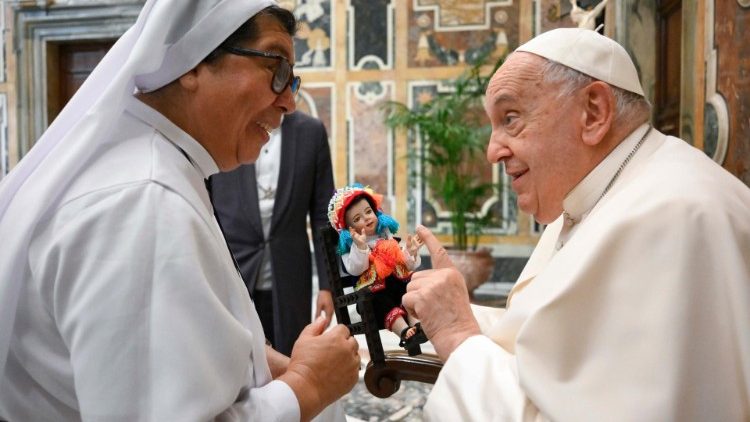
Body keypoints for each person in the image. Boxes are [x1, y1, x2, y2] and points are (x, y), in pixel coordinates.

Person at [0, 1, 359, 421]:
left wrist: (248, 360)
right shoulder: (141, 202)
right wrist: (307, 386)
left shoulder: (161, 165)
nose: (288, 102)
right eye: (276, 67)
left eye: (292, 81)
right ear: (194, 61)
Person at [402, 27, 750, 420]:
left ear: (594, 113)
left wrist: (458, 335)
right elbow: (546, 345)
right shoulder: (603, 195)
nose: (492, 151)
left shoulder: (674, 217)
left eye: (510, 118)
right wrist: (453, 311)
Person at [208, 110, 335, 356]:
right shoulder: (223, 126)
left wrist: (327, 286)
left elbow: (323, 214)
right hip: (233, 275)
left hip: (290, 279)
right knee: (235, 362)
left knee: (290, 360)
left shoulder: (311, 132)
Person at [328, 184, 426, 354]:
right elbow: (356, 269)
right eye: (357, 219)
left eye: (368, 211)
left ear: (375, 211)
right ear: (349, 229)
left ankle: (416, 325)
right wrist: (360, 246)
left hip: (397, 286)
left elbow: (404, 264)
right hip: (373, 293)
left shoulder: (386, 236)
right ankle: (404, 331)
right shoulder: (353, 246)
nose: (366, 218)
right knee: (379, 301)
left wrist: (410, 253)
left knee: (410, 287)